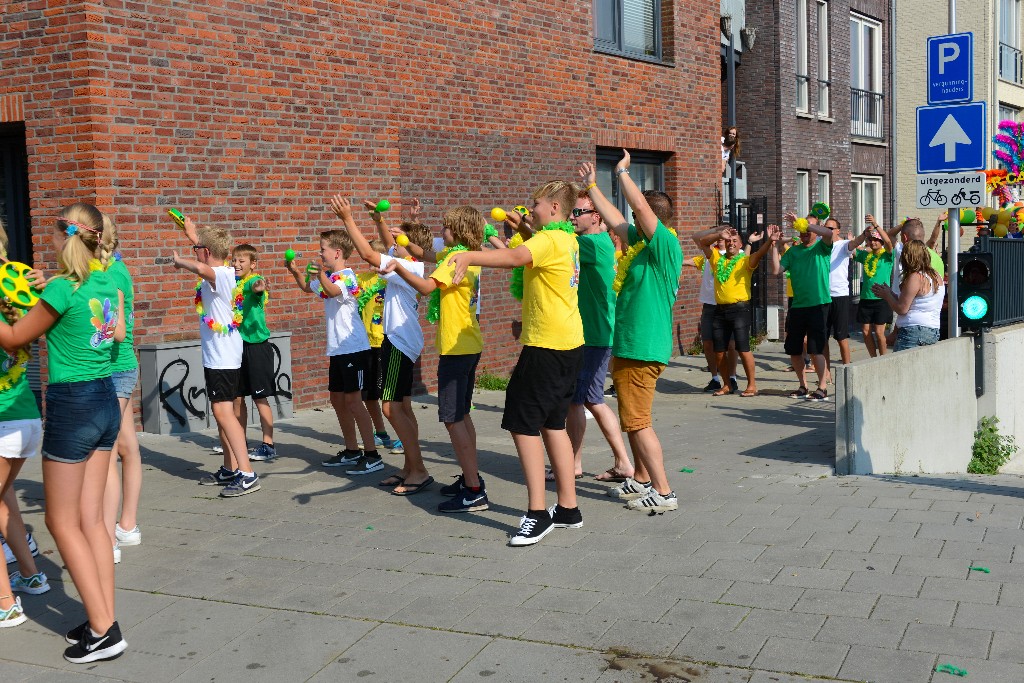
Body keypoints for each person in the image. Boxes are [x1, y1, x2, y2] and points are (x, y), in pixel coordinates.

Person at [0, 203, 127, 661]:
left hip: (72, 405)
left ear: (62, 237)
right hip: (104, 397)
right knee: (93, 520)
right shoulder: (108, 279)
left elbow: (14, 337)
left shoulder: (61, 289)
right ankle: (104, 619)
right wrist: (45, 283)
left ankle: (103, 630)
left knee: (60, 521)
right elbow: (110, 329)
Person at [450, 180, 585, 546]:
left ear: (555, 208)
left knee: (522, 424)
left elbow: (514, 257)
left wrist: (468, 255)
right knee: (552, 424)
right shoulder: (566, 239)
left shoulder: (549, 239)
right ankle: (568, 508)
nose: (532, 209)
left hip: (546, 347)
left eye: (536, 203)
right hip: (568, 343)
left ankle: (538, 514)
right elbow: (530, 245)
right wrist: (524, 227)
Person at [582, 152, 682, 514]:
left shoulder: (664, 246)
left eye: (639, 217)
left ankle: (664, 491)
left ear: (649, 218)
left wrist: (622, 171)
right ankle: (641, 479)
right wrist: (593, 186)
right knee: (632, 419)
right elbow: (616, 217)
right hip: (629, 344)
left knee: (638, 422)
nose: (630, 224)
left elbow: (636, 205)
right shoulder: (640, 244)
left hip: (644, 347)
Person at [382, 206, 490, 511]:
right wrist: (404, 241)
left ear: (455, 232)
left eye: (445, 227)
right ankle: (472, 477)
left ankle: (473, 490)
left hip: (456, 349)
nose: (441, 232)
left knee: (453, 419)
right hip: (470, 344)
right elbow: (426, 254)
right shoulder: (472, 255)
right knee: (463, 416)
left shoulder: (456, 259)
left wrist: (399, 267)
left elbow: (427, 287)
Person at [331, 195, 433, 494]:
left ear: (407, 246)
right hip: (399, 339)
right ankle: (410, 467)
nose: (391, 243)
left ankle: (419, 471)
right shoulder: (405, 261)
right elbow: (389, 243)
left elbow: (366, 254)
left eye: (397, 240)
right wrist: (379, 220)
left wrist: (348, 219)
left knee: (389, 407)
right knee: (401, 406)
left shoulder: (410, 267)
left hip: (400, 342)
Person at [172, 221, 259, 497]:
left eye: (197, 248)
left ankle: (247, 473)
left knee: (224, 413)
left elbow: (201, 267)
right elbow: (207, 254)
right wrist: (192, 235)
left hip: (223, 358)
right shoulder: (220, 269)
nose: (194, 250)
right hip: (220, 355)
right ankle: (230, 467)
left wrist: (180, 260)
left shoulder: (220, 274)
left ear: (206, 251)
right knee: (223, 412)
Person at [285, 229, 379, 472]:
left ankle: (372, 454)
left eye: (323, 248)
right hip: (337, 350)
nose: (319, 252)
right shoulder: (330, 277)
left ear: (337, 253)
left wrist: (321, 275)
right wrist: (295, 272)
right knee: (337, 399)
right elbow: (310, 288)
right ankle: (351, 450)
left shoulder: (348, 277)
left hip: (354, 349)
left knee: (354, 401)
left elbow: (332, 291)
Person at [0, 223, 50, 629]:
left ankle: (4, 603)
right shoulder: (21, 281)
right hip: (26, 415)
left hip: (3, 421)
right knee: (6, 500)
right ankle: (31, 576)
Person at [566, 186, 634, 483]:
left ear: (596, 216)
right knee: (584, 400)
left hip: (595, 335)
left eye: (577, 212)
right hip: (590, 334)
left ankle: (607, 463)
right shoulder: (589, 241)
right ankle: (601, 463)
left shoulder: (592, 244)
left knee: (584, 399)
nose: (572, 218)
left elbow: (555, 243)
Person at [100, 215, 143, 563]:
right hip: (123, 366)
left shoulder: (111, 274)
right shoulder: (120, 268)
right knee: (127, 446)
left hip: (114, 368)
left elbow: (116, 328)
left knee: (109, 453)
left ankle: (110, 541)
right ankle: (127, 526)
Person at [695, 224, 779, 397]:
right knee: (719, 351)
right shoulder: (717, 259)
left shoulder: (744, 261)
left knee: (743, 348)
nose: (731, 243)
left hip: (739, 309)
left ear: (741, 245)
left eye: (735, 241)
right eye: (728, 241)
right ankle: (727, 384)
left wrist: (770, 241)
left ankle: (752, 385)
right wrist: (719, 234)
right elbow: (703, 243)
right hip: (720, 310)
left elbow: (760, 253)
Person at [770, 215, 834, 401]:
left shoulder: (822, 247)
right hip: (798, 305)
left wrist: (806, 225)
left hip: (819, 303)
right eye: (802, 230)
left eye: (809, 230)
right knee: (794, 348)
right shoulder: (793, 252)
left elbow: (828, 233)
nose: (805, 233)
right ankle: (802, 385)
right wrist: (774, 246)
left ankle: (822, 387)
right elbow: (776, 270)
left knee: (816, 348)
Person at [356, 239, 396, 451]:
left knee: (388, 396)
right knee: (369, 394)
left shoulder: (391, 280)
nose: (370, 262)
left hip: (385, 342)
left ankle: (401, 435)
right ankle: (381, 434)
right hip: (366, 344)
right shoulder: (362, 279)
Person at [686, 228, 737, 393]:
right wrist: (717, 230)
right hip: (709, 304)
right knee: (707, 343)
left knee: (730, 344)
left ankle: (732, 378)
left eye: (726, 235)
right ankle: (715, 378)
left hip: (726, 304)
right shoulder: (709, 253)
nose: (722, 239)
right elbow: (696, 237)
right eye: (721, 236)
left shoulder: (734, 253)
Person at [871, 240, 945, 351]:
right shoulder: (935, 275)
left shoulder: (915, 277)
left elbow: (902, 309)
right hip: (931, 330)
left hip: (914, 331)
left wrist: (887, 296)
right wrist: (890, 293)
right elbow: (914, 302)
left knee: (902, 368)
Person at [852, 228, 895, 356]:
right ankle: (873, 359)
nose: (873, 242)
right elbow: (851, 250)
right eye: (871, 240)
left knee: (879, 332)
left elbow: (888, 242)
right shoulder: (865, 255)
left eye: (876, 240)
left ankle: (883, 359)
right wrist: (860, 237)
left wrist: (876, 226)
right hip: (866, 298)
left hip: (882, 299)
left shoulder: (887, 255)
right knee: (865, 331)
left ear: (881, 242)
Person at [823, 218, 854, 373]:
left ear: (837, 230)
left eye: (831, 228)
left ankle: (848, 370)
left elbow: (853, 245)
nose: (828, 230)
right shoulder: (819, 247)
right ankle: (826, 373)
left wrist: (864, 234)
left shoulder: (842, 245)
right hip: (822, 296)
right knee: (823, 338)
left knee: (841, 337)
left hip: (839, 295)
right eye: (825, 228)